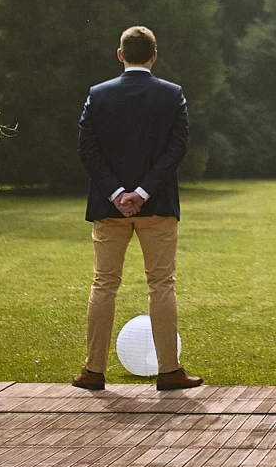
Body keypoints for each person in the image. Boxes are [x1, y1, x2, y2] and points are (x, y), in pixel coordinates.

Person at [73, 25, 203, 392]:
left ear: (120, 55)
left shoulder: (97, 96)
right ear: (154, 55)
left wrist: (116, 193)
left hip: (108, 207)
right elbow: (177, 148)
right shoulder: (171, 95)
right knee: (161, 284)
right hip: (158, 205)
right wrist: (143, 192)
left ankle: (93, 371)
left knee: (104, 284)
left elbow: (87, 149)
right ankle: (169, 370)